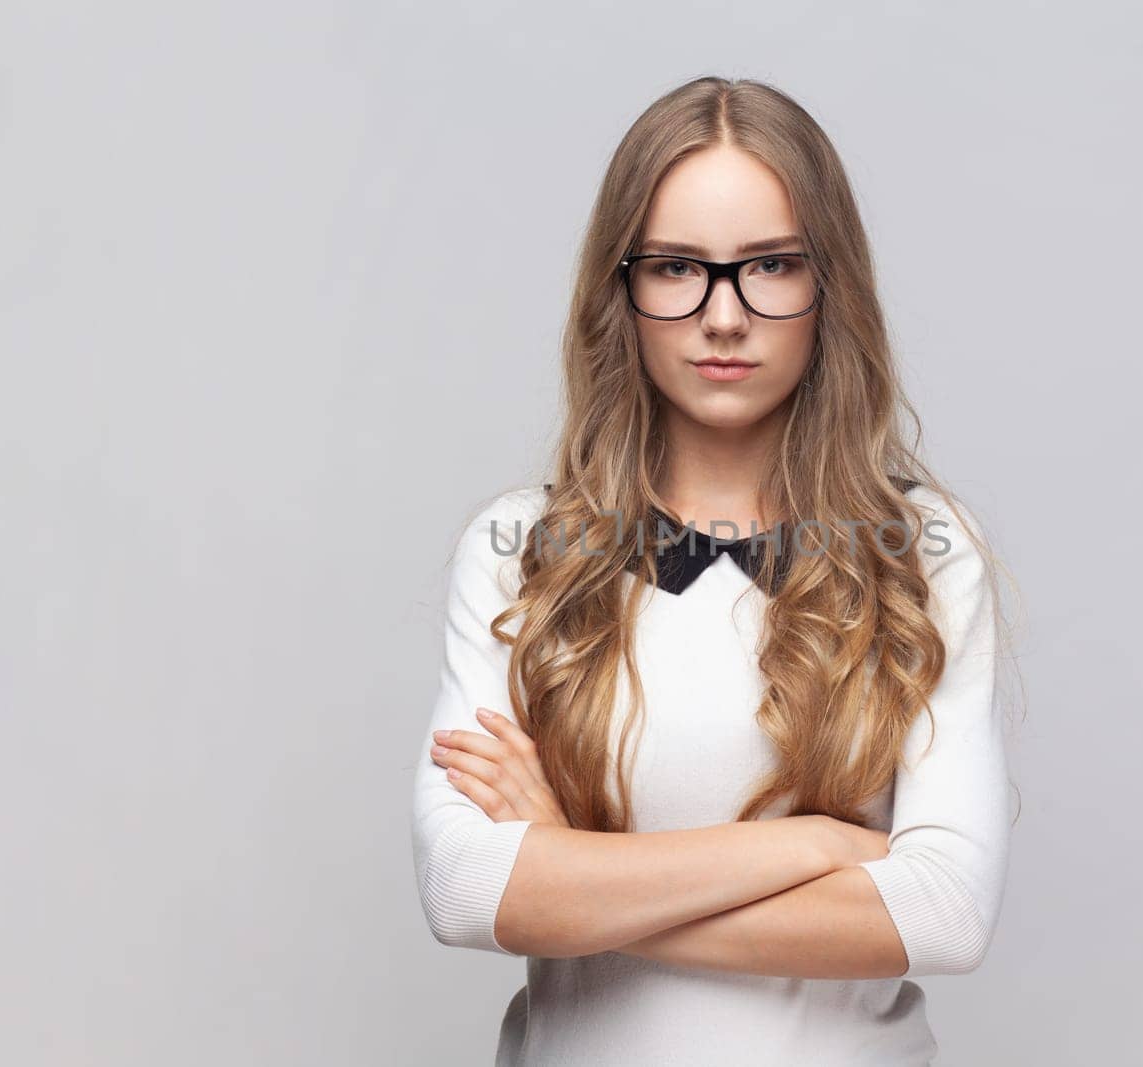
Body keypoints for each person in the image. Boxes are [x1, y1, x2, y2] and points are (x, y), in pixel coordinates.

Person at [410, 75, 1021, 1066]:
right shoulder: (521, 547)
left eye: (770, 264)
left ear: (831, 286)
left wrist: (573, 879)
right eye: (676, 267)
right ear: (622, 287)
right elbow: (466, 891)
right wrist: (814, 845)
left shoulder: (923, 551)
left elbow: (945, 913)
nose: (722, 315)